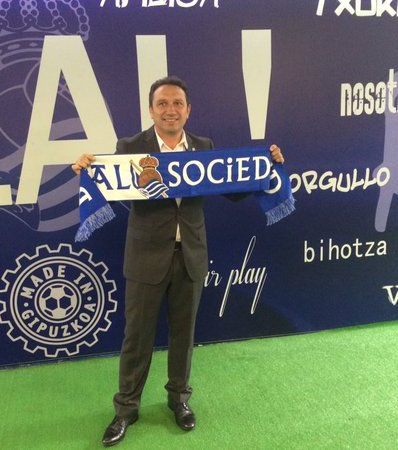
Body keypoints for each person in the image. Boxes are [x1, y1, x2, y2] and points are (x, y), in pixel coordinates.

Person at [72, 76, 284, 446]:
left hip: (190, 256)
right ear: (151, 110)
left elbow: (232, 189)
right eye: (163, 104)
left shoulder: (204, 147)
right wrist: (87, 167)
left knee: (184, 335)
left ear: (188, 110)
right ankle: (126, 409)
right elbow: (109, 184)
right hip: (145, 258)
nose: (170, 110)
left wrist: (266, 166)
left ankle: (179, 400)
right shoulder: (130, 147)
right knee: (136, 338)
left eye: (177, 103)